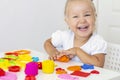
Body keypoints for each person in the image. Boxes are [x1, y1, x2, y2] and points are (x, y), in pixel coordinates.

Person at [44, 0, 107, 67]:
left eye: (87, 15)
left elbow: (99, 64)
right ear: (67, 21)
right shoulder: (65, 36)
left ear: (95, 17)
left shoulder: (97, 41)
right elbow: (47, 43)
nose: (82, 20)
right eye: (75, 16)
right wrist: (53, 52)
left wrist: (77, 51)